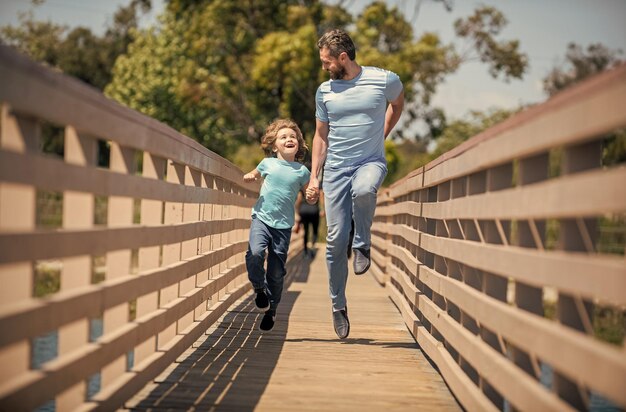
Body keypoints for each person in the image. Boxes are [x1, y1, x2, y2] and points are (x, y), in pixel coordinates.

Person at [306, 29, 404, 339]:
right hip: (335, 170)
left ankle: (362, 243)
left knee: (365, 189)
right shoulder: (325, 92)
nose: (324, 67)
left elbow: (398, 105)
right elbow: (321, 136)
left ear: (343, 58)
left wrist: (382, 135)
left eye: (326, 61)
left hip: (370, 162)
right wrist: (314, 177)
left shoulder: (384, 80)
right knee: (335, 241)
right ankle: (338, 305)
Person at [244, 119, 311, 332]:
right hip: (261, 218)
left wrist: (312, 194)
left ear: (298, 145)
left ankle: (272, 309)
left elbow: (310, 196)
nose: (289, 139)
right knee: (255, 253)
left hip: (283, 226)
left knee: (276, 271)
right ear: (274, 146)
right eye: (283, 137)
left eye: (293, 137)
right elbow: (255, 173)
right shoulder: (267, 163)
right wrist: (251, 176)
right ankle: (259, 289)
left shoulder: (302, 171)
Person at [295, 185, 324, 258]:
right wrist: (323, 209)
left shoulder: (302, 186)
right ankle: (313, 248)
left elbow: (299, 199)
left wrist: (297, 212)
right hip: (314, 210)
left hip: (304, 210)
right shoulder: (317, 185)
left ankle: (305, 250)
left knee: (306, 231)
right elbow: (321, 197)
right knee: (314, 230)